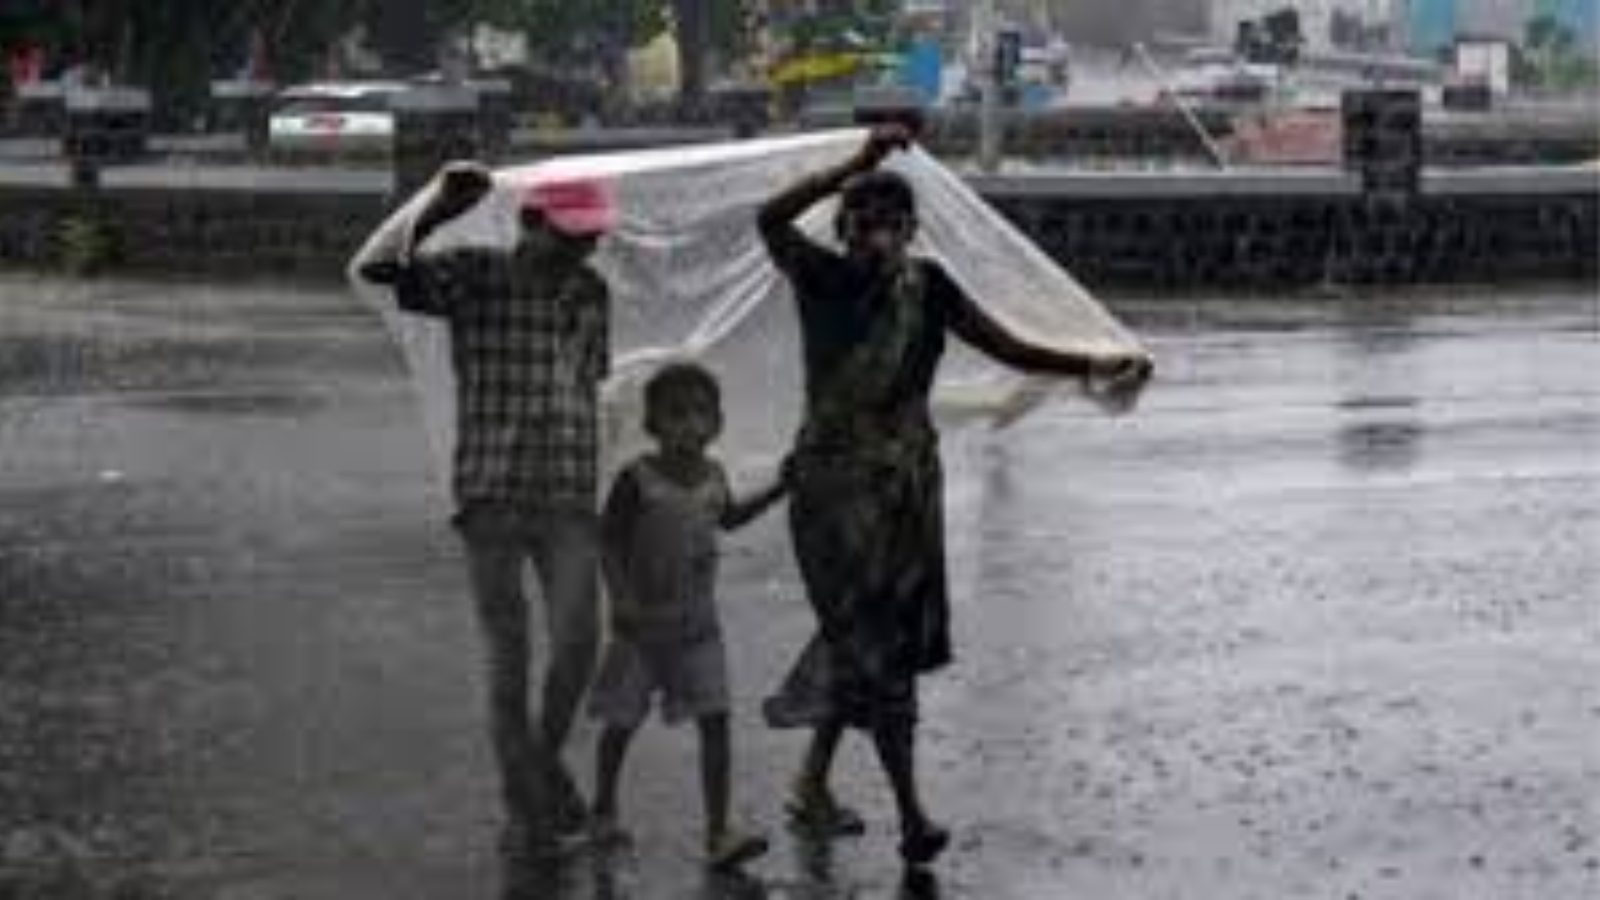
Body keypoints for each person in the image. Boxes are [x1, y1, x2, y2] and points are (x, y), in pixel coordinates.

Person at [756, 125, 1152, 867]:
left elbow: (1010, 347)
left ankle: (812, 783)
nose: (880, 234)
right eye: (866, 221)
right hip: (834, 490)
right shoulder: (823, 278)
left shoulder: (928, 287)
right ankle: (911, 814)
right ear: (843, 229)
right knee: (872, 650)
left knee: (873, 648)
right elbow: (768, 220)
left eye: (895, 222)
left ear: (912, 230)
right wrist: (855, 162)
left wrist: (1095, 362)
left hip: (906, 491)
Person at [360, 161, 613, 864]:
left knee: (577, 643)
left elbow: (590, 389)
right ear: (530, 224)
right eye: (569, 237)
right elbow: (380, 270)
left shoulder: (592, 291)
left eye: (590, 239)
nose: (581, 251)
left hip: (567, 489)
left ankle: (539, 767)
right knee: (510, 656)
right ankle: (525, 810)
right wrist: (440, 208)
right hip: (493, 490)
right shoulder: (477, 274)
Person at [586, 363, 787, 871]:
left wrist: (781, 487)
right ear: (653, 423)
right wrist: (620, 598)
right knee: (621, 722)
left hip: (699, 631)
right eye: (676, 414)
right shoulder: (636, 480)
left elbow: (732, 518)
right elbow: (607, 542)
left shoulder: (715, 475)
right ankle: (604, 805)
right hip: (641, 631)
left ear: (717, 422)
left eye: (701, 413)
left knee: (716, 721)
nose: (690, 425)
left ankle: (719, 831)